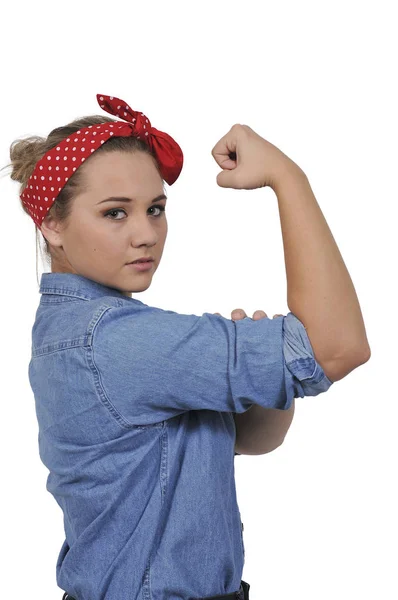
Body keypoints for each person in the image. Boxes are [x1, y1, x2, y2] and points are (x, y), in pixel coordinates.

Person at [5, 93, 370, 600]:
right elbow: (339, 347)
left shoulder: (76, 331)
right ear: (51, 224)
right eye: (115, 213)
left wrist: (260, 378)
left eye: (155, 209)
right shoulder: (117, 340)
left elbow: (252, 439)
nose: (146, 234)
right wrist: (289, 179)